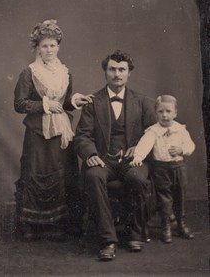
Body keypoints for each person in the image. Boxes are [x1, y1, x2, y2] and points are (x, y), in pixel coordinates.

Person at [14, 19, 92, 240]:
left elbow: (64, 102)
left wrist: (75, 100)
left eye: (53, 45)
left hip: (61, 131)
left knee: (62, 174)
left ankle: (62, 223)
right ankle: (30, 224)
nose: (49, 50)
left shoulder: (65, 72)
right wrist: (44, 105)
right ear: (37, 47)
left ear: (58, 46)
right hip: (38, 132)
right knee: (36, 173)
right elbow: (19, 104)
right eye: (44, 46)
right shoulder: (29, 72)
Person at [74, 50, 156, 261]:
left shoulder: (143, 102)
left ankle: (135, 233)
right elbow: (82, 135)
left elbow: (154, 133)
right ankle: (107, 239)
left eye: (122, 70)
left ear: (129, 73)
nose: (117, 74)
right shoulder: (93, 102)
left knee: (137, 178)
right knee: (93, 176)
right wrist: (90, 154)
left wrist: (138, 149)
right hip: (104, 159)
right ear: (105, 72)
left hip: (133, 160)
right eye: (112, 69)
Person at [130, 95, 195, 243]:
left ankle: (180, 224)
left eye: (168, 111)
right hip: (161, 169)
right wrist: (138, 158)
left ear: (175, 113)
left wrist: (181, 150)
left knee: (180, 195)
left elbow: (190, 146)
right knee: (164, 198)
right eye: (160, 111)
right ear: (156, 113)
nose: (164, 115)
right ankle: (166, 225)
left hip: (178, 167)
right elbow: (143, 146)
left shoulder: (181, 129)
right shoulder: (153, 131)